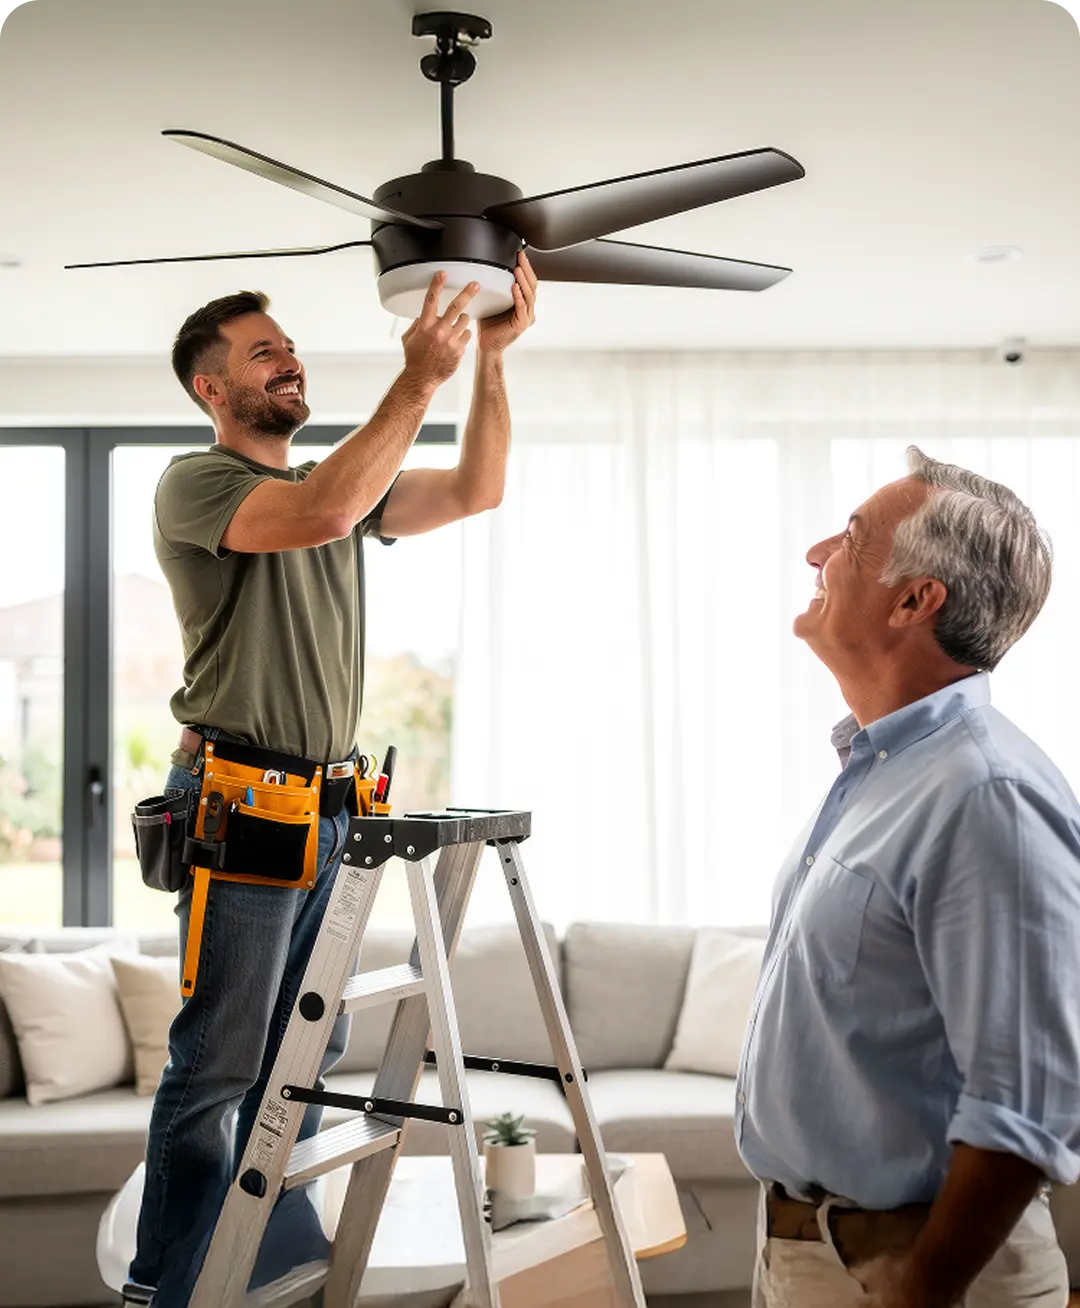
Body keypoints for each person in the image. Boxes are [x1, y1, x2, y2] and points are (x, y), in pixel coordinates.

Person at [126, 255, 538, 1307]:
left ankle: (267, 1273)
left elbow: (478, 487)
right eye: (265, 354)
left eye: (292, 350)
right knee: (219, 1065)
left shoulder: (339, 493)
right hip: (246, 810)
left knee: (306, 1060)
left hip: (338, 812)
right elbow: (313, 517)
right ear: (211, 389)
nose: (291, 364)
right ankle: (169, 1291)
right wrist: (420, 381)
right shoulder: (202, 483)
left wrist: (489, 356)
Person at [738, 447, 1080, 1308]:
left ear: (916, 599)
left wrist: (919, 1292)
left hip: (916, 1277)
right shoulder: (881, 770)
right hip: (812, 1255)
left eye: (850, 540)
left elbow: (1029, 1104)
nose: (817, 553)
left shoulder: (986, 793)